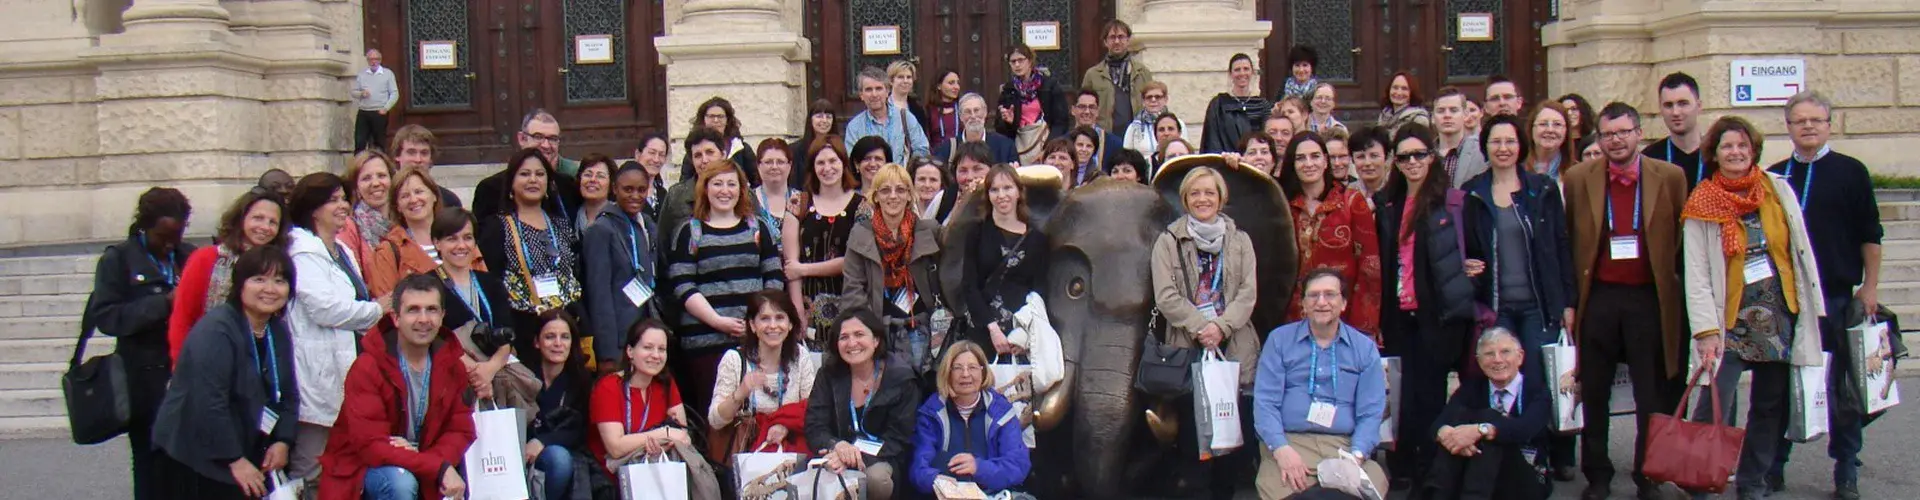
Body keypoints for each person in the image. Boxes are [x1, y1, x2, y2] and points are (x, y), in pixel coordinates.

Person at [1676, 115, 1827, 500]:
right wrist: (1706, 330)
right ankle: (1701, 479)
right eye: (1727, 146)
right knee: (1714, 405)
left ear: (1753, 149)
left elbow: (1798, 250)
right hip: (1728, 323)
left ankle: (1752, 482)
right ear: (1715, 153)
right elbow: (1696, 273)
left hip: (1777, 316)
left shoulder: (1776, 189)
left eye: (1742, 145)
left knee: (1769, 407)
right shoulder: (1703, 201)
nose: (1736, 152)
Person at [1563, 103, 1689, 500]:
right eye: (1607, 134)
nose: (1616, 140)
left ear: (1639, 133)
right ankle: (1598, 473)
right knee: (1595, 389)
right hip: (1598, 296)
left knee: (1649, 393)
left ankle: (1647, 474)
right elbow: (1570, 237)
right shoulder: (1580, 177)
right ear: (1598, 138)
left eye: (1623, 132)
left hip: (1647, 298)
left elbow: (1680, 236)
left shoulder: (1669, 176)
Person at [1765, 91, 1881, 500]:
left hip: (1834, 296)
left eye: (1816, 120)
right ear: (1789, 127)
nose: (1808, 126)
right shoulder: (1775, 176)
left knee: (1842, 390)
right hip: (1788, 299)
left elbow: (1871, 234)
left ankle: (1846, 470)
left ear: (1830, 124)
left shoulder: (1851, 172)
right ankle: (1773, 467)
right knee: (1780, 386)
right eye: (1800, 121)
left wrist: (1870, 287)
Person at [1460, 114, 1577, 480]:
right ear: (1486, 147)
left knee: (1539, 381)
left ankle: (1546, 455)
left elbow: (1560, 247)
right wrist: (1467, 266)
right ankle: (1501, 459)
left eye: (1510, 141)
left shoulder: (1541, 189)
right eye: (1496, 142)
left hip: (1538, 306)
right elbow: (1464, 246)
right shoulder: (1472, 192)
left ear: (1520, 145)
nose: (1503, 148)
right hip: (1496, 308)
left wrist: (1567, 303)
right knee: (1499, 380)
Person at [1373, 123, 1479, 488]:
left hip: (1436, 315)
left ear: (1431, 158)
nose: (1412, 162)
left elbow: (1474, 253)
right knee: (1403, 396)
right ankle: (1403, 467)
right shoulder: (1388, 205)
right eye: (1404, 156)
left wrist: (1472, 273)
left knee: (1431, 396)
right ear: (1396, 163)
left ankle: (1432, 474)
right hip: (1399, 316)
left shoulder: (1451, 202)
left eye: (1419, 154)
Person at [151, 245, 299, 499]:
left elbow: (289, 393)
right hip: (199, 451)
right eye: (259, 279)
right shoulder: (217, 331)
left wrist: (283, 440)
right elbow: (208, 402)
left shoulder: (276, 330)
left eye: (279, 281)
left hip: (246, 442)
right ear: (240, 284)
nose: (270, 289)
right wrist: (234, 460)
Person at [1150, 166, 1262, 499]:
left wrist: (1221, 326)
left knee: (1230, 438)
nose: (1203, 199)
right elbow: (1165, 295)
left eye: (1209, 193)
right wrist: (1202, 327)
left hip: (1233, 346)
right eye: (1195, 193)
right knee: (1192, 442)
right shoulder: (1168, 240)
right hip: (1189, 348)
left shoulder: (1240, 240)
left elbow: (1248, 291)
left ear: (1220, 197)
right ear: (1185, 198)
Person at [318, 274, 476, 500]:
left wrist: (431, 462)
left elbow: (461, 429)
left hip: (426, 457)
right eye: (413, 310)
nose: (424, 319)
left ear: (442, 316)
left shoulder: (453, 366)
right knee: (400, 482)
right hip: (365, 468)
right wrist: (436, 467)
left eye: (431, 310)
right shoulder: (368, 366)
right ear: (395, 318)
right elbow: (371, 445)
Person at [86, 187, 195, 500]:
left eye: (177, 235)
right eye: (163, 237)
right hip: (144, 377)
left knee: (189, 462)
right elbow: (107, 318)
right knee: (152, 463)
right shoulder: (118, 259)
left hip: (187, 372)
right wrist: (163, 303)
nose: (169, 245)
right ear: (145, 226)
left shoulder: (188, 255)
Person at [283, 173, 388, 481]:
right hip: (317, 372)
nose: (343, 205)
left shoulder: (342, 250)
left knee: (345, 468)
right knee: (313, 467)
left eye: (344, 198)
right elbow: (325, 309)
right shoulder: (301, 252)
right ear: (313, 208)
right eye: (334, 200)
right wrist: (377, 309)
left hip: (349, 370)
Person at [1252, 269, 1389, 499]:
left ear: (1344, 303)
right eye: (1313, 295)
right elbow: (1265, 403)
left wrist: (1355, 456)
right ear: (1303, 303)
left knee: (1365, 489)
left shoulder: (1364, 348)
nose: (1321, 302)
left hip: (1344, 446)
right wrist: (1281, 449)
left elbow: (1371, 412)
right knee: (1287, 490)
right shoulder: (1280, 340)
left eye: (1330, 295)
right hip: (1291, 442)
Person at [666, 159, 786, 419]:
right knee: (715, 415)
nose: (725, 190)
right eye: (717, 183)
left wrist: (759, 322)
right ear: (705, 189)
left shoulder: (757, 227)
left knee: (756, 412)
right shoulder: (690, 231)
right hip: (705, 341)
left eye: (732, 184)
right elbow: (683, 284)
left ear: (741, 189)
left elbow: (774, 276)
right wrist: (718, 321)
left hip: (754, 339)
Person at [588, 318, 723, 499]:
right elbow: (615, 447)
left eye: (661, 349)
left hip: (660, 469)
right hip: (615, 478)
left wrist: (662, 445)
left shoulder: (666, 384)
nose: (656, 355)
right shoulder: (609, 386)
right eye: (648, 347)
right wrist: (662, 434)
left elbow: (683, 436)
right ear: (630, 351)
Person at [1420, 327, 1554, 500]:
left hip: (1526, 475)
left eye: (1505, 352)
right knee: (1456, 427)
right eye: (1489, 354)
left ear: (1520, 357)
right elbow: (1438, 425)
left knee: (1489, 423)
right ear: (1479, 361)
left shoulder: (1537, 389)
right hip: (1477, 474)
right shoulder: (1472, 387)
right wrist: (1450, 435)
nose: (1497, 360)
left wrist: (1480, 430)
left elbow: (1524, 429)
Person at [806, 308, 922, 500]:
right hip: (837, 453)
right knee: (818, 471)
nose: (852, 343)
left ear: (876, 340)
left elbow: (898, 439)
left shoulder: (901, 378)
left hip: (882, 457)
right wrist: (836, 445)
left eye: (859, 334)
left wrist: (855, 456)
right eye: (844, 337)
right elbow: (814, 426)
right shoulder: (828, 375)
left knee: (875, 479)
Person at [478, 148, 583, 359]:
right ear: (511, 183)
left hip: (563, 330)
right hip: (522, 330)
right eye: (525, 174)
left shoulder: (561, 225)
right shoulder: (497, 227)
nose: (533, 180)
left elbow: (573, 276)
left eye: (540, 174)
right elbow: (492, 283)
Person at [844, 163, 946, 375]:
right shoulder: (860, 234)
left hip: (919, 326)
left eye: (900, 190)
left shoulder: (929, 231)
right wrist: (865, 331)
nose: (893, 196)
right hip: (878, 327)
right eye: (885, 190)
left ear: (910, 195)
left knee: (918, 388)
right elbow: (853, 288)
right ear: (875, 196)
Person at [1278, 133, 1382, 338]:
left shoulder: (1351, 202)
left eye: (1315, 156)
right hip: (1293, 319)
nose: (1309, 163)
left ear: (1326, 161)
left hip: (1343, 317)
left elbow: (1370, 267)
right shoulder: (1282, 205)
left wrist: (1364, 326)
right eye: (1300, 158)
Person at [170, 189, 287, 362]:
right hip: (208, 359)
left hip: (258, 361)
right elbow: (182, 316)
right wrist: (180, 367)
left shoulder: (278, 266)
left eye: (273, 222)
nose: (265, 227)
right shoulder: (206, 258)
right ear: (241, 219)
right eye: (258, 218)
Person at [907, 340, 1034, 498]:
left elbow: (1018, 465)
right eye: (957, 368)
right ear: (947, 373)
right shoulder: (931, 413)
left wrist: (978, 468)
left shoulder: (1001, 412)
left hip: (992, 494)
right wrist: (934, 479)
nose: (965, 374)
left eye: (972, 367)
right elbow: (919, 466)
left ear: (983, 372)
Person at [708, 291, 821, 455]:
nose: (773, 325)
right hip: (746, 454)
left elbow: (811, 408)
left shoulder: (800, 356)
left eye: (780, 318)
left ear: (790, 324)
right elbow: (715, 421)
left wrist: (785, 425)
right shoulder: (734, 359)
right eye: (765, 318)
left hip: (789, 452)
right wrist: (741, 393)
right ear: (753, 325)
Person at [428, 207, 522, 404]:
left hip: (494, 376)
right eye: (452, 239)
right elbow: (433, 336)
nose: (461, 245)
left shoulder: (490, 282)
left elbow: (507, 333)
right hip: (449, 378)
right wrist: (474, 372)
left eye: (467, 237)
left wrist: (488, 369)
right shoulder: (427, 284)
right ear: (437, 242)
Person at [960, 165, 1051, 352]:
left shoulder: (1038, 239)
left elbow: (1039, 290)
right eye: (994, 189)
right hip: (982, 328)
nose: (1001, 195)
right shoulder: (976, 232)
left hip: (1021, 332)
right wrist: (992, 329)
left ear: (1019, 191)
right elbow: (969, 284)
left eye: (1007, 188)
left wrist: (1024, 333)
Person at [582, 160, 660, 373]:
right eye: (628, 189)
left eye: (641, 190)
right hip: (617, 338)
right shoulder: (600, 230)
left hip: (647, 330)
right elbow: (599, 295)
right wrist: (607, 352)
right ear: (614, 189)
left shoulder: (647, 225)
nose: (635, 196)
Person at [786, 140, 866, 338]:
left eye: (833, 161)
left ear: (843, 164)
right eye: (820, 163)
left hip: (851, 302)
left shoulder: (862, 206)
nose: (827, 168)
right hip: (809, 307)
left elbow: (855, 260)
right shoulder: (799, 203)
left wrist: (804, 269)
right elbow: (790, 268)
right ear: (812, 167)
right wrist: (797, 313)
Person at [525, 310, 593, 500]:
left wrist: (542, 442)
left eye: (565, 337)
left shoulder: (582, 380)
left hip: (560, 455)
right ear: (537, 342)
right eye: (549, 337)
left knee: (559, 458)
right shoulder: (521, 375)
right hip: (521, 454)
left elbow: (580, 430)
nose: (558, 344)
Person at [473, 109, 584, 219]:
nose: (546, 145)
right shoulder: (490, 189)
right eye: (538, 137)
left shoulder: (567, 186)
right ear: (521, 139)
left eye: (552, 139)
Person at [363, 167, 446, 299]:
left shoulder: (460, 237)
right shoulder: (388, 250)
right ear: (398, 206)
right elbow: (388, 304)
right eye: (405, 196)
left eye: (419, 191)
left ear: (434, 195)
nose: (413, 200)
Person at [659, 128, 735, 250]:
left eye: (710, 152)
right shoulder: (677, 195)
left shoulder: (741, 193)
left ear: (723, 155)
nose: (704, 160)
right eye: (698, 155)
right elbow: (663, 243)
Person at [996, 45, 1069, 163]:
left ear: (1030, 61)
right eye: (1013, 61)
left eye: (1021, 60)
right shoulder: (1008, 90)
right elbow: (1002, 131)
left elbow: (1061, 121)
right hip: (1021, 149)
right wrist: (1009, 122)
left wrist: (1048, 149)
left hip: (1046, 146)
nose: (1017, 65)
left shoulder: (1049, 86)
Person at [848, 67, 932, 163]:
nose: (874, 94)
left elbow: (922, 149)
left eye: (879, 88)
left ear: (887, 91)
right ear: (861, 95)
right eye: (868, 90)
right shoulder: (854, 126)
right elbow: (852, 159)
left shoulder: (905, 117)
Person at [1084, 20, 1153, 132]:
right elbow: (1084, 107)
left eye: (1121, 37)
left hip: (1137, 133)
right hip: (1105, 135)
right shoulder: (1093, 74)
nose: (1116, 41)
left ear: (1128, 40)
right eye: (1112, 37)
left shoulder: (1142, 72)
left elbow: (1153, 101)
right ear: (1105, 42)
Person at [1642, 72, 1708, 190]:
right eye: (1668, 105)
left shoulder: (1716, 155)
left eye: (1683, 104)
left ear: (1699, 106)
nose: (1675, 112)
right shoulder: (1649, 159)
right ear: (1660, 109)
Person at [338, 149, 396, 274]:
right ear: (356, 187)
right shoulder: (348, 227)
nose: (375, 183)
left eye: (381, 176)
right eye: (366, 178)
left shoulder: (404, 219)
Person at [683, 96, 762, 185]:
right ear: (703, 119)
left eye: (720, 116)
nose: (716, 120)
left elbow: (756, 181)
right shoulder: (696, 152)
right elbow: (685, 184)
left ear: (727, 120)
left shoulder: (742, 149)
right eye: (711, 116)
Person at [1201, 53, 1271, 153]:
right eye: (1237, 70)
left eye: (1246, 69)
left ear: (1252, 72)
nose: (1242, 73)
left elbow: (1267, 139)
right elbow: (1212, 140)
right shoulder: (1218, 105)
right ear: (1230, 74)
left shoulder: (1262, 105)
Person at [930, 92, 1022, 165]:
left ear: (985, 112)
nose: (973, 116)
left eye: (977, 110)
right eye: (967, 112)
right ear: (961, 117)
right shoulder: (947, 149)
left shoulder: (1006, 146)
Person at [389, 124, 465, 209]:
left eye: (424, 153)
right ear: (397, 155)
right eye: (411, 152)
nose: (418, 159)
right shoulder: (386, 197)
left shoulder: (449, 200)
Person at [1431, 87, 1486, 188]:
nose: (1447, 115)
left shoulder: (1481, 152)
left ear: (1465, 115)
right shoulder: (1426, 153)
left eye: (1453, 110)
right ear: (1433, 118)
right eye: (1441, 111)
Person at [754, 139, 802, 250]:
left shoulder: (802, 200)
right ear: (758, 165)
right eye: (768, 162)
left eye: (780, 162)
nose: (774, 167)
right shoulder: (747, 200)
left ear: (789, 165)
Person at [352, 49, 398, 153]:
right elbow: (354, 92)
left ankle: (381, 164)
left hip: (379, 112)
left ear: (380, 60)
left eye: (376, 59)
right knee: (360, 142)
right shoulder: (362, 74)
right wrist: (361, 94)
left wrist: (386, 108)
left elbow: (394, 93)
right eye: (371, 59)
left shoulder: (387, 74)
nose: (373, 62)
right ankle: (359, 165)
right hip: (364, 111)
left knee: (379, 142)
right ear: (367, 61)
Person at [1068, 91, 1126, 172]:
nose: (1087, 112)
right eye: (1082, 107)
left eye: (1091, 107)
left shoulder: (1114, 144)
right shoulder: (1063, 141)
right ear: (1073, 110)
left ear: (1098, 111)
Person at [1124, 81, 1186, 154]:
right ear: (1143, 101)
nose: (1153, 100)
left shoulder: (1178, 123)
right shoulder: (1134, 127)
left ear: (1165, 99)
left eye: (1158, 97)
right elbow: (1127, 155)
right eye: (1149, 97)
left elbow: (1185, 150)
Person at [796, 99, 844, 184]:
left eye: (828, 117)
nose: (824, 120)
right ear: (810, 120)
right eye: (819, 116)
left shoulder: (840, 147)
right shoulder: (796, 150)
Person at [1527, 102, 1575, 180]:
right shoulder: (1516, 169)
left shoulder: (1578, 172)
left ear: (1566, 131)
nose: (1550, 130)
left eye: (1557, 124)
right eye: (1543, 124)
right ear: (1531, 129)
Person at [1377, 71, 1431, 137]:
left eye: (1404, 89)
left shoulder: (1419, 119)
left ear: (1412, 93)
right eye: (1395, 87)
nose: (1399, 93)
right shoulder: (1384, 115)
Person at [573, 154, 617, 234]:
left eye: (600, 176)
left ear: (611, 184)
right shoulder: (571, 217)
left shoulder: (619, 218)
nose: (593, 180)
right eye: (588, 175)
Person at [888, 60, 933, 139]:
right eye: (900, 77)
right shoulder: (883, 105)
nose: (905, 81)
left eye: (908, 77)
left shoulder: (917, 109)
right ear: (891, 81)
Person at [634, 131, 673, 219]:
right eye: (652, 153)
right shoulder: (626, 191)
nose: (656, 159)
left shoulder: (663, 195)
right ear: (638, 154)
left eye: (661, 155)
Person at [911, 155, 960, 224]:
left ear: (942, 183)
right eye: (922, 179)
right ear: (913, 181)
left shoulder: (953, 210)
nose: (927, 185)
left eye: (933, 180)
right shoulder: (904, 208)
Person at [1348, 126, 1392, 201]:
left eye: (1374, 156)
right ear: (1352, 159)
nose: (1367, 163)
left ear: (1386, 156)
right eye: (1361, 157)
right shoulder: (1347, 194)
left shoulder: (1397, 191)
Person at [924, 70, 963, 147]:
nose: (956, 87)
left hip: (961, 155)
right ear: (939, 86)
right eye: (951, 83)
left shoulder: (963, 108)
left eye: (958, 83)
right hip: (937, 156)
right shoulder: (928, 111)